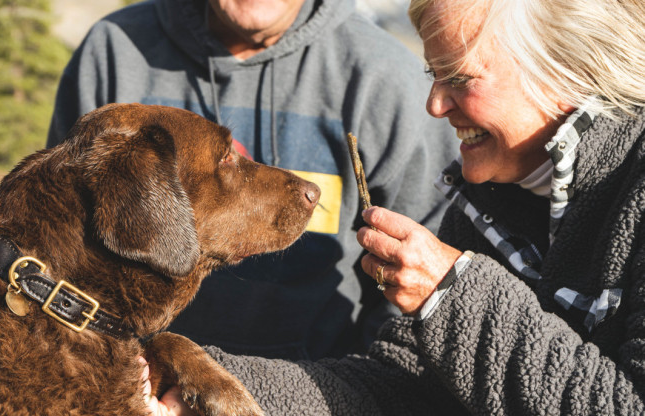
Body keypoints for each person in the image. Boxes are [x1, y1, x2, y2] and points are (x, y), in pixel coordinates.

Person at [146, 0, 645, 414]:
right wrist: (199, 389)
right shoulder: (486, 204)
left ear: (567, 66)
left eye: (460, 77)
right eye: (434, 73)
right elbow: (398, 392)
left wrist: (453, 293)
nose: (434, 104)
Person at [47, 0, 458, 360]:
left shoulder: (384, 78)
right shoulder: (116, 51)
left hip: (316, 393)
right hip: (136, 386)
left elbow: (422, 285)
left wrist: (360, 395)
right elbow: (60, 246)